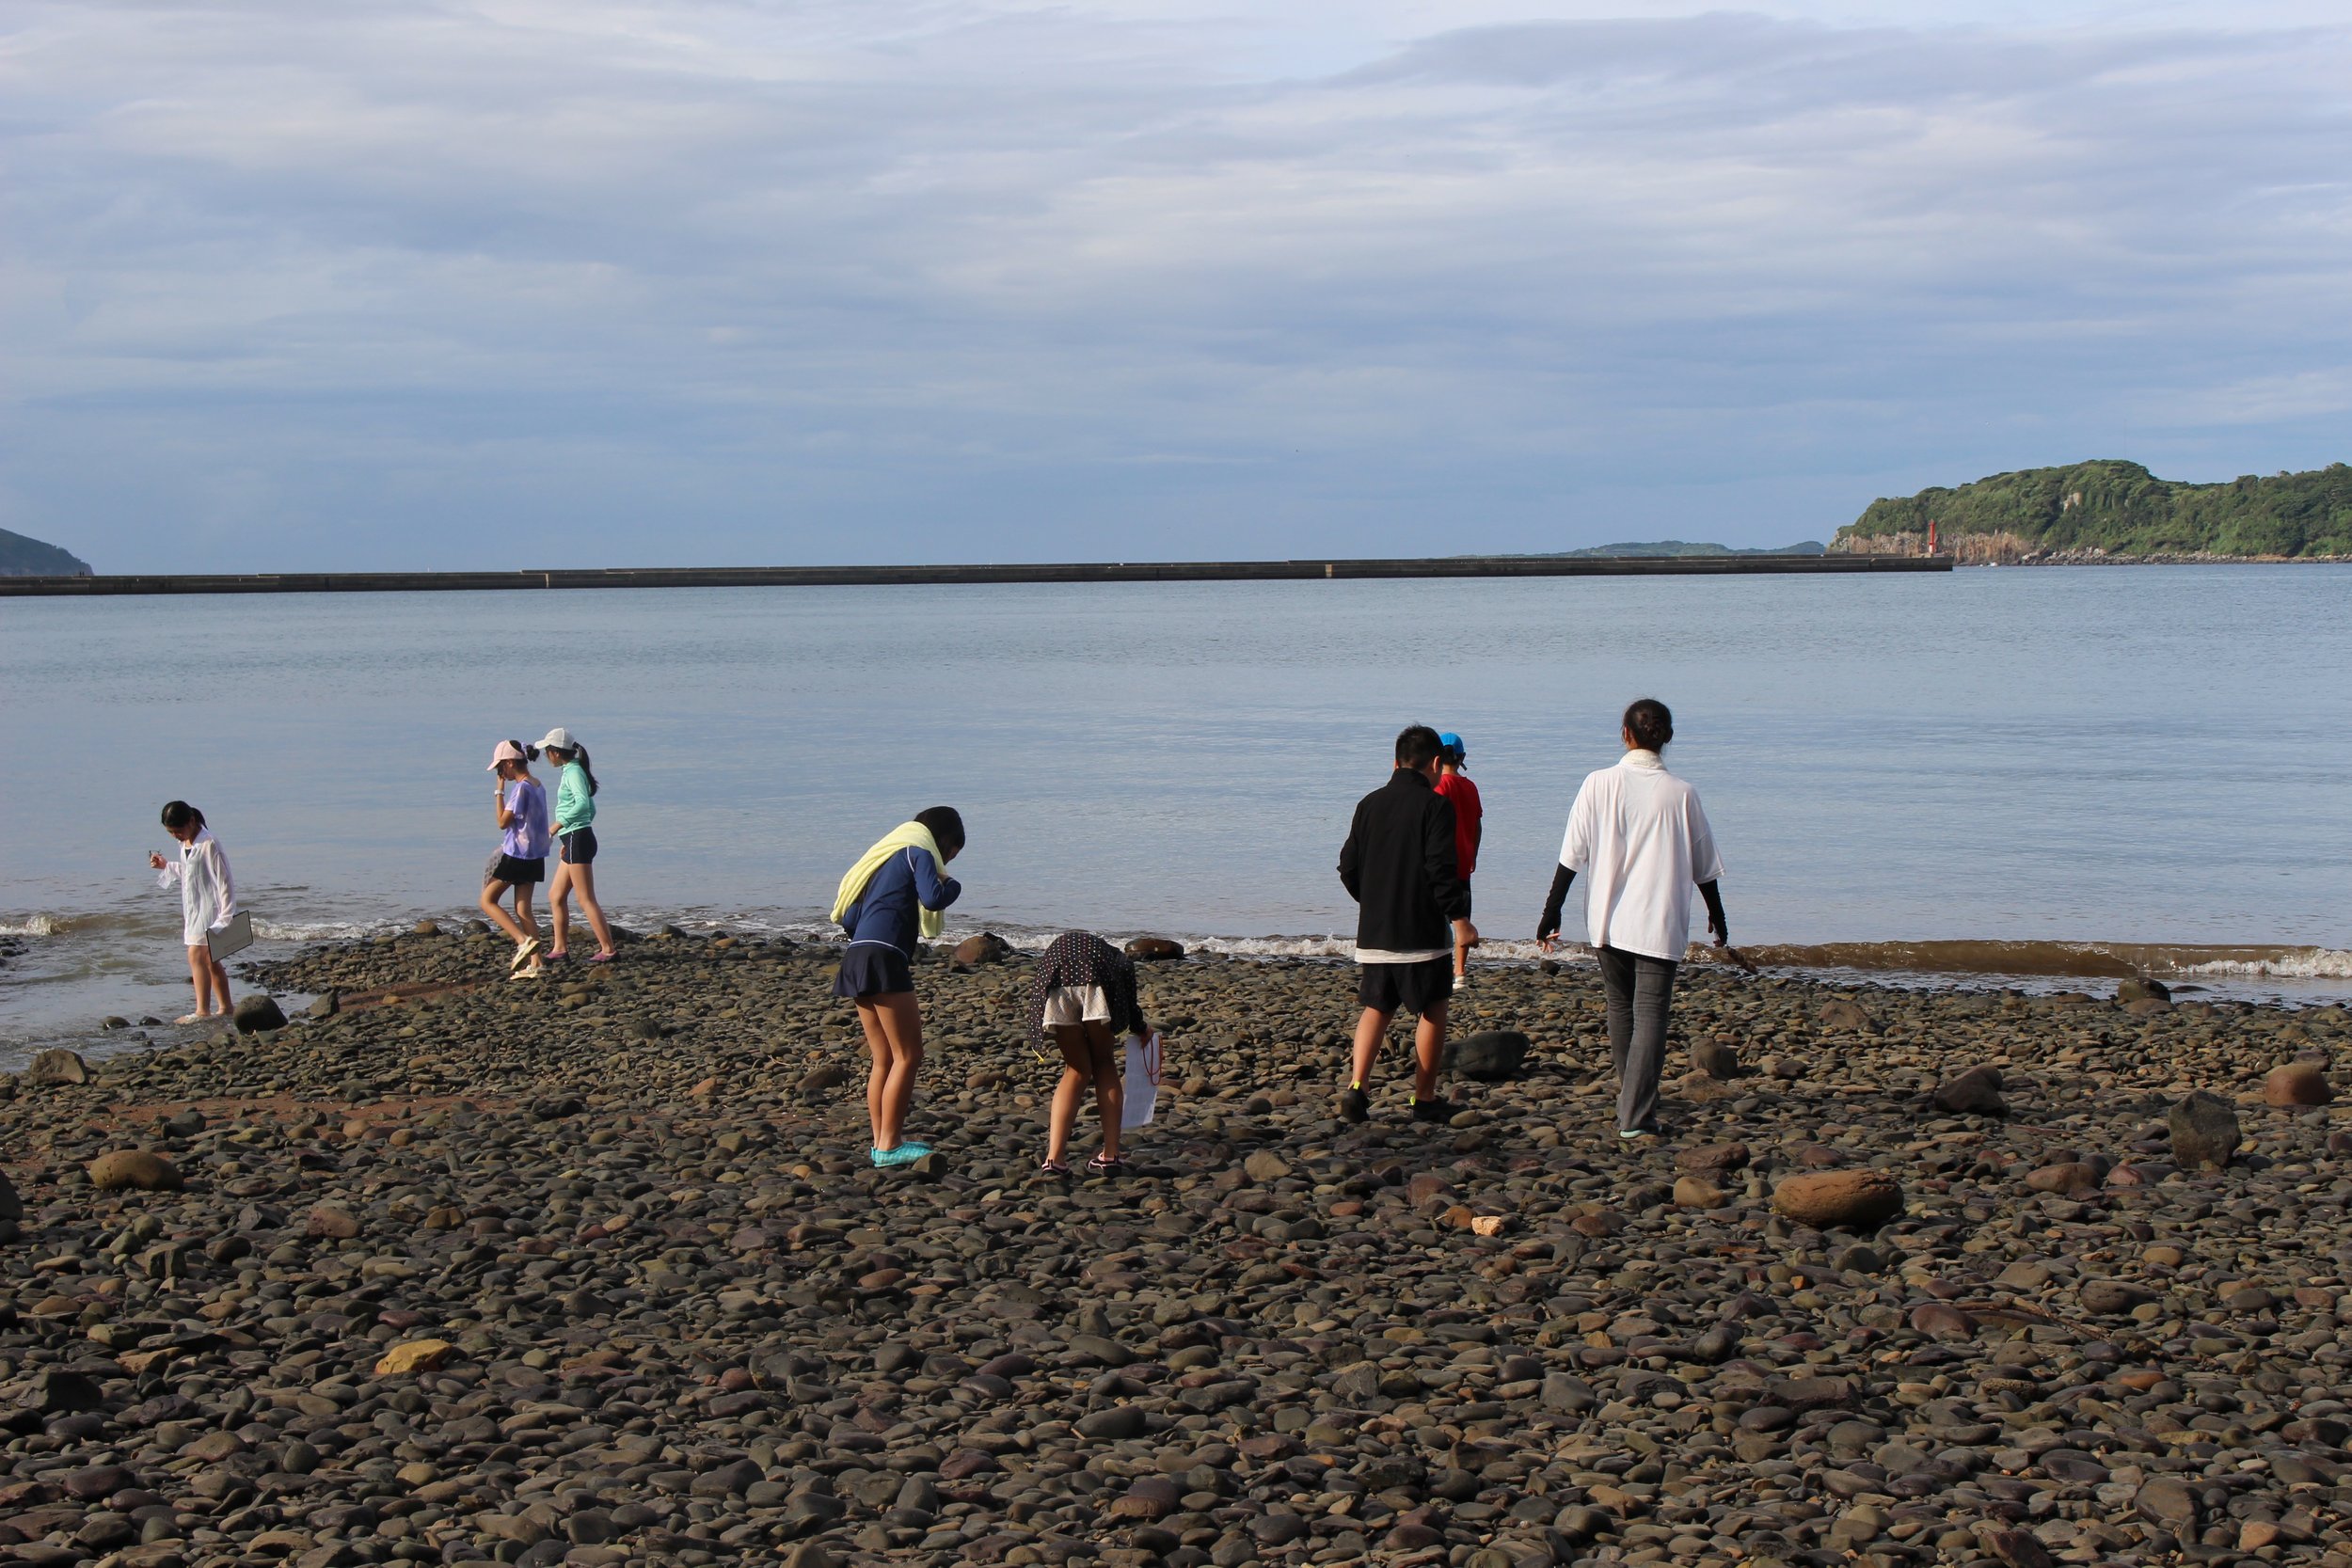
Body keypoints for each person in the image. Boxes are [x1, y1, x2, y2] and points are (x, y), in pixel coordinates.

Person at [1535, 698, 1728, 1142]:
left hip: (1606, 918)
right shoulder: (1682, 793)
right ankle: (1636, 1114)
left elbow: (1571, 857)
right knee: (1650, 1014)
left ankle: (1633, 1100)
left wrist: (1551, 911)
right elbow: (1704, 869)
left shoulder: (1597, 784)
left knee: (1622, 1008)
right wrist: (1718, 917)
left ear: (1626, 734)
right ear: (1668, 737)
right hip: (1657, 920)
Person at [1337, 724, 1479, 1124]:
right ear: (1436, 763)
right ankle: (1423, 1097)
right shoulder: (1435, 807)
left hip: (1376, 932)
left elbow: (1348, 866)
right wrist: (1459, 920)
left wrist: (1374, 901)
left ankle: (1358, 1087)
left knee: (1376, 1008)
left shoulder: (1369, 804)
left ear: (1395, 761)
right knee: (1433, 1008)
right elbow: (1440, 869)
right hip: (1423, 934)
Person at [830, 807, 965, 1167]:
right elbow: (934, 898)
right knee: (909, 1056)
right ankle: (890, 1145)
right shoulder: (916, 853)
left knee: (883, 1058)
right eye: (952, 852)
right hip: (886, 956)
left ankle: (881, 1144)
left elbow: (849, 917)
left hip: (857, 955)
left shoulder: (880, 863)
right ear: (944, 840)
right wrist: (952, 883)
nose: (949, 859)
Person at [1027, 931, 1150, 1177]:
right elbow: (1128, 1000)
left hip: (1057, 982)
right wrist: (1141, 1028)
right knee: (1104, 1063)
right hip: (1094, 982)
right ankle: (1111, 1155)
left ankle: (1054, 1159)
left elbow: (1040, 983)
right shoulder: (1118, 961)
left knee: (1076, 1069)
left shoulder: (1063, 949)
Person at [149, 800, 236, 1024]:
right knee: (211, 960)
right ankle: (226, 1007)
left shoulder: (209, 843)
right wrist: (167, 865)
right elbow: (190, 872)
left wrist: (226, 917)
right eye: (171, 832)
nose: (175, 836)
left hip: (212, 908)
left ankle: (202, 1011)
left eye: (178, 830)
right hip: (194, 907)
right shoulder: (187, 842)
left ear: (191, 821)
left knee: (196, 955)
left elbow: (224, 880)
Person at [535, 727, 616, 964]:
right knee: (556, 895)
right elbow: (591, 809)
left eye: (547, 751)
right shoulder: (571, 770)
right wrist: (567, 836)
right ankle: (560, 949)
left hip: (577, 839)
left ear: (555, 753)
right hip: (574, 838)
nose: (545, 756)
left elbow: (582, 805)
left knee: (585, 898)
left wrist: (556, 827)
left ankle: (609, 949)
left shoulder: (574, 773)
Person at [480, 740, 551, 978]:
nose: (501, 773)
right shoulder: (537, 784)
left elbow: (502, 822)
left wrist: (498, 790)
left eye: (501, 768)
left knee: (488, 900)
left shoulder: (521, 788)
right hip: (535, 855)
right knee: (524, 909)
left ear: (510, 763)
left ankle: (522, 940)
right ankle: (537, 964)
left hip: (517, 854)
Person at [1434, 733, 1484, 990]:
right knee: (1462, 915)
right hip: (1464, 861)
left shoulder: (1437, 787)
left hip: (1440, 861)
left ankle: (1437, 965)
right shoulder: (1470, 787)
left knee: (1437, 916)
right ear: (1462, 757)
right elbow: (1477, 825)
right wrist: (1473, 854)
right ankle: (1460, 971)